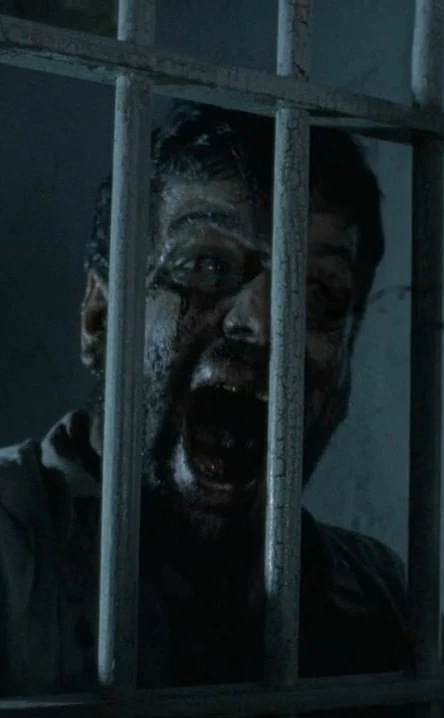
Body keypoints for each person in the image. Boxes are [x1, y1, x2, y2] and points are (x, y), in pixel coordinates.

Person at [0, 103, 413, 697]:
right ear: (100, 318)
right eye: (206, 264)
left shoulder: (376, 599)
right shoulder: (11, 554)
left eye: (321, 293)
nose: (266, 323)